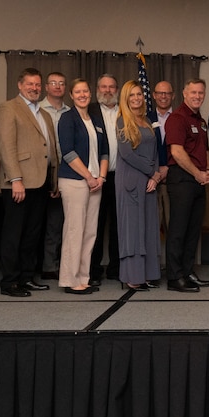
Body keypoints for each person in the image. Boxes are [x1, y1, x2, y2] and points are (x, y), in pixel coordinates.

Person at [0, 68, 59, 297]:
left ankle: (26, 277)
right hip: (19, 183)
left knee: (33, 234)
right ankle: (10, 281)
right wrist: (16, 180)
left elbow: (50, 150)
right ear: (20, 85)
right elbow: (6, 146)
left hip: (40, 184)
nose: (34, 88)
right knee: (14, 234)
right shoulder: (8, 108)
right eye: (30, 84)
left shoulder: (45, 114)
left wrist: (53, 182)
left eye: (37, 85)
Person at [57, 79, 108, 294]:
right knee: (74, 231)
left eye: (85, 91)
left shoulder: (96, 120)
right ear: (71, 94)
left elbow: (105, 152)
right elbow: (68, 153)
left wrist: (101, 177)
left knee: (90, 233)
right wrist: (88, 176)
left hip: (96, 182)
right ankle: (70, 280)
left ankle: (83, 277)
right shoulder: (67, 118)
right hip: (75, 181)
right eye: (78, 91)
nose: (82, 95)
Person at [165, 78, 209, 293]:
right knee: (178, 230)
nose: (197, 96)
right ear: (184, 94)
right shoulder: (177, 118)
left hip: (198, 180)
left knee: (193, 230)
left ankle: (187, 271)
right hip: (182, 179)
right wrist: (197, 174)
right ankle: (175, 277)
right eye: (193, 92)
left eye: (200, 93)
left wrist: (207, 172)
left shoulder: (200, 120)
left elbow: (204, 151)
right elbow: (177, 152)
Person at [116, 80, 164, 290]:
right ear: (125, 99)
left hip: (150, 181)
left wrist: (156, 177)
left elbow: (156, 153)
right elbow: (127, 154)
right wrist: (151, 172)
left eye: (139, 94)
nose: (136, 98)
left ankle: (147, 274)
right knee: (133, 229)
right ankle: (132, 277)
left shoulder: (146, 120)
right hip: (131, 181)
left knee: (149, 227)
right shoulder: (122, 121)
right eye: (131, 95)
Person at [88, 74, 120, 286]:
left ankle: (117, 269)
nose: (107, 90)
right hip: (96, 177)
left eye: (111, 87)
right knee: (95, 225)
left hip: (121, 176)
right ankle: (93, 269)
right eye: (103, 87)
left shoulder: (125, 110)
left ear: (116, 89)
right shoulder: (88, 110)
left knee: (119, 226)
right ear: (97, 88)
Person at [40, 71, 70, 280]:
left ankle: (51, 266)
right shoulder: (37, 109)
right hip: (39, 170)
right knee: (34, 224)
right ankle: (33, 266)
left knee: (56, 223)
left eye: (61, 83)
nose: (57, 86)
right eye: (53, 83)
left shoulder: (71, 112)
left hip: (63, 172)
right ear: (46, 87)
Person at [149, 80, 174, 269]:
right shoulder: (145, 117)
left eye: (167, 93)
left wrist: (168, 168)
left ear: (173, 96)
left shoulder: (181, 117)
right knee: (152, 226)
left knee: (173, 225)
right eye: (160, 93)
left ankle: (173, 266)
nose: (163, 96)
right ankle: (154, 267)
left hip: (174, 179)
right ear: (154, 96)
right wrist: (156, 170)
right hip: (151, 178)